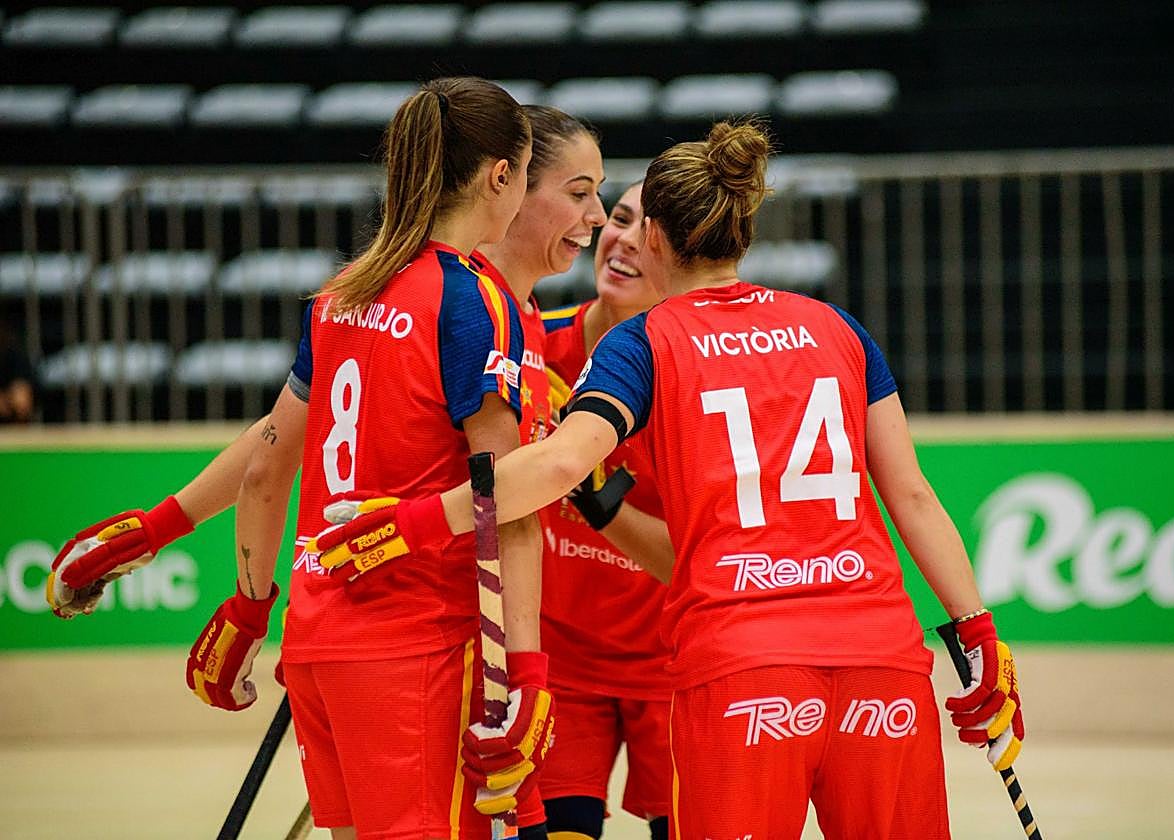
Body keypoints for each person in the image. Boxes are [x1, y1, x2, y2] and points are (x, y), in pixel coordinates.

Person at [311, 120, 1026, 839]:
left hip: (742, 664)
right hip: (881, 656)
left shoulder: (646, 340)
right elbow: (911, 497)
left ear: (652, 236)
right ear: (743, 230)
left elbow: (557, 466)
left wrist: (412, 523)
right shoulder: (836, 328)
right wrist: (979, 632)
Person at [52, 76, 548, 840]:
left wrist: (246, 606)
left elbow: (266, 467)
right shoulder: (474, 300)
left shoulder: (342, 294)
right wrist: (525, 673)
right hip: (419, 646)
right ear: (502, 175)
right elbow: (501, 493)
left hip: (315, 647)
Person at [537, 182, 674, 840]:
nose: (623, 238)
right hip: (560, 664)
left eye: (650, 231)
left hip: (674, 666)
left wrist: (599, 506)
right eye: (620, 218)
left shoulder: (696, 373)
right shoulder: (533, 347)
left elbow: (694, 555)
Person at [0, 315, 36, 424]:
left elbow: (22, 401)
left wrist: (5, 400)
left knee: (20, 398)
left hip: (11, 424)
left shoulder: (15, 357)